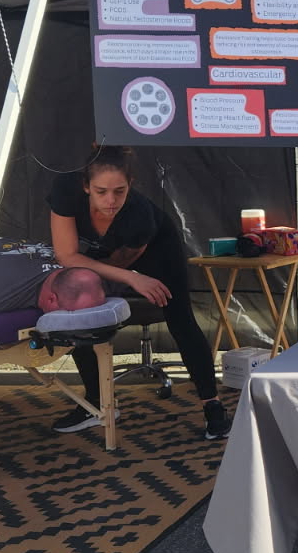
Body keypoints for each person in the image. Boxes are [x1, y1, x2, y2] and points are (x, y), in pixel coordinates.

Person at [47, 145, 228, 440]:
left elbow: (122, 261)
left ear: (130, 185)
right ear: (86, 186)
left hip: (157, 252)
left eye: (119, 191)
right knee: (78, 307)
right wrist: (129, 278)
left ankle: (213, 405)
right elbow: (66, 255)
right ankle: (96, 403)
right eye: (101, 191)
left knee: (181, 318)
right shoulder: (66, 190)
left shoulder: (139, 215)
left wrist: (135, 277)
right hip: (107, 260)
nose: (110, 201)